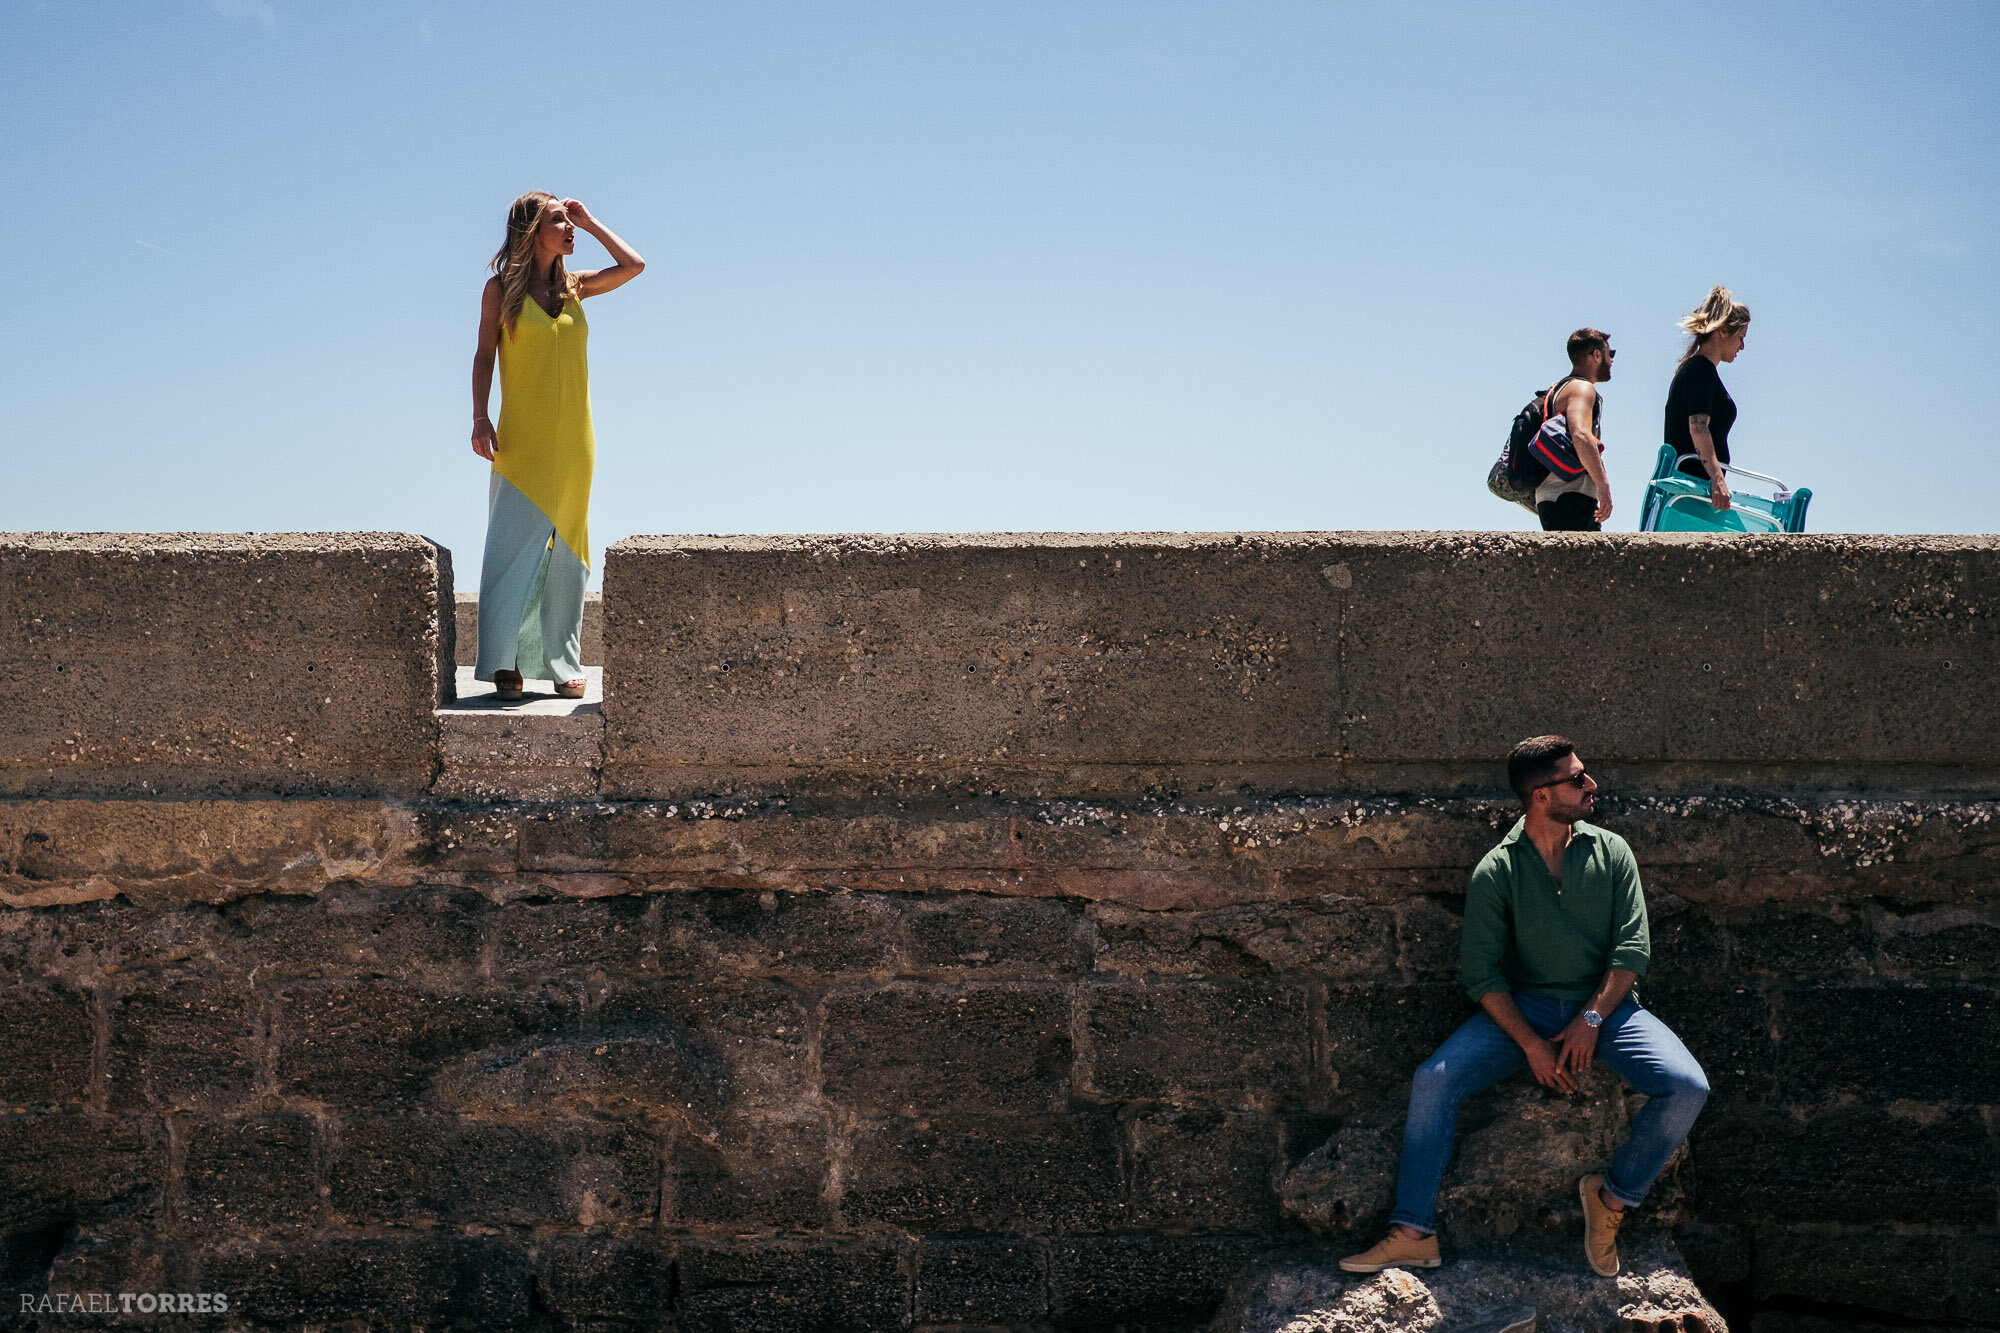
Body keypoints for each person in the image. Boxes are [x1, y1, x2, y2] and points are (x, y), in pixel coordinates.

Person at [1340, 736, 1710, 1278]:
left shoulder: (1612, 851)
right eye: (1577, 778)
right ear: (1540, 796)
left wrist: (1589, 1020)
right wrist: (1531, 1045)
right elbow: (1483, 976)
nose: (1592, 785)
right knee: (1433, 1080)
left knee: (1688, 1088)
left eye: (1585, 774)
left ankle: (1609, 1202)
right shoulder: (1497, 870)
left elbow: (1633, 951)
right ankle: (1414, 1232)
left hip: (1608, 1009)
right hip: (1527, 1008)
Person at [470, 191, 644, 700]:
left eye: (570, 221)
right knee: (509, 548)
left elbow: (633, 265)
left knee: (569, 551)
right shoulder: (499, 291)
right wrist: (480, 417)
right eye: (560, 221)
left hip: (575, 441)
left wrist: (591, 223)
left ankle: (562, 660)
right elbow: (483, 357)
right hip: (520, 441)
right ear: (530, 231)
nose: (569, 228)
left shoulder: (576, 288)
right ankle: (505, 662)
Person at [1663, 286, 1749, 512]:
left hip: (1699, 490)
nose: (1742, 346)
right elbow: (1698, 427)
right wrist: (1717, 479)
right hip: (1690, 491)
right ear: (1722, 332)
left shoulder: (1699, 368)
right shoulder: (1700, 369)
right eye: (1740, 337)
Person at [1536, 329, 1616, 532]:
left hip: (1557, 497)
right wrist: (1603, 487)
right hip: (1570, 496)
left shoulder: (1559, 388)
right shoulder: (1582, 388)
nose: (1612, 360)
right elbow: (1581, 435)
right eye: (1610, 353)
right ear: (1597, 355)